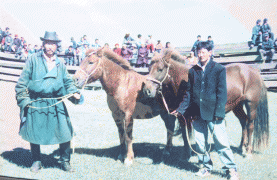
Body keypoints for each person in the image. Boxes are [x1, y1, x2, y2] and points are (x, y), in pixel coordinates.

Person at [15, 31, 83, 173]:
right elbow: (22, 83)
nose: (50, 46)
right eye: (48, 43)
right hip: (36, 102)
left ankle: (65, 161)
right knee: (34, 132)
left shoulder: (61, 63)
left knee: (65, 132)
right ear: (43, 44)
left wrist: (74, 92)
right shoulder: (33, 59)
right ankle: (36, 161)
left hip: (56, 102)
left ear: (56, 46)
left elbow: (67, 82)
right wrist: (25, 101)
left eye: (53, 44)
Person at [172, 41, 239, 180]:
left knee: (221, 142)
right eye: (199, 52)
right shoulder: (192, 71)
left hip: (214, 113)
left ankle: (231, 169)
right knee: (200, 143)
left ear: (210, 53)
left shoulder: (219, 69)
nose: (200, 55)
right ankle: (205, 167)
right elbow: (189, 93)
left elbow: (222, 94)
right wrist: (180, 109)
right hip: (197, 113)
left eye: (203, 52)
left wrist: (219, 113)